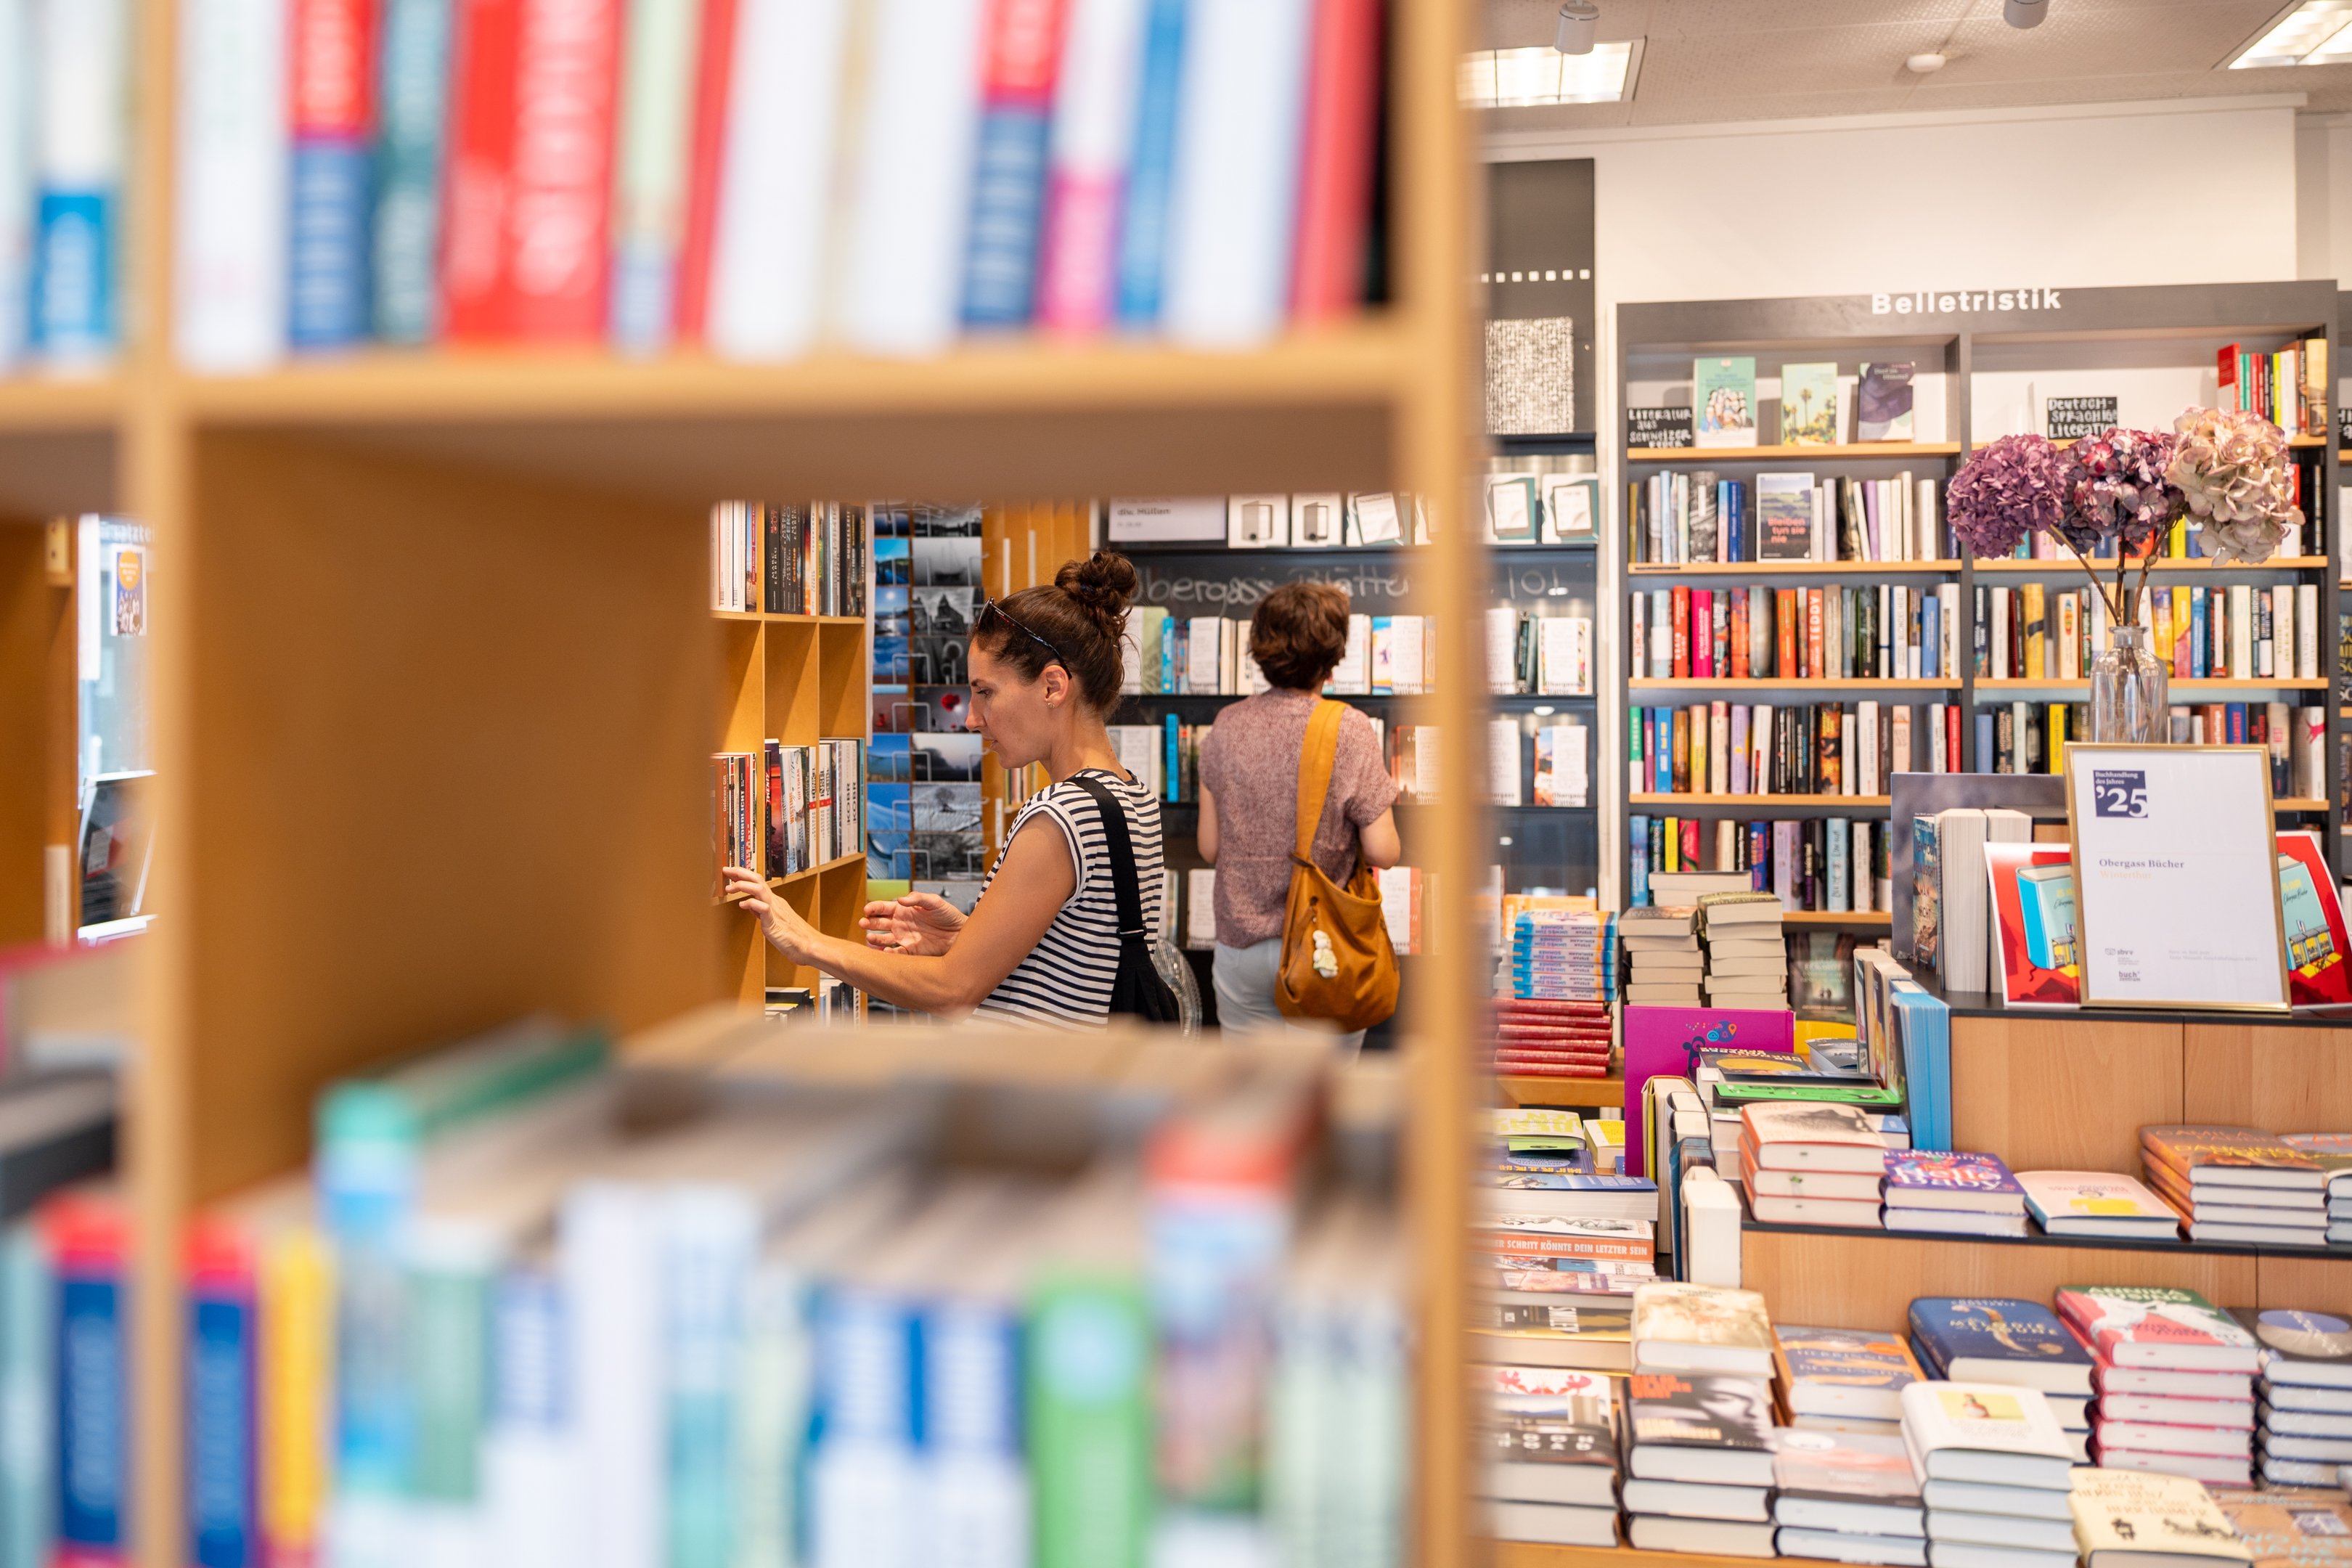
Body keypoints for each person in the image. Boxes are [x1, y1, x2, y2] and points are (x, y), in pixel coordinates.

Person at [724, 552, 1163, 1025]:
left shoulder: (1063, 814)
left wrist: (809, 942)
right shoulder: (1131, 795)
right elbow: (1083, 958)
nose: (972, 718)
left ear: (1053, 686)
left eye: (986, 692)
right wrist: (969, 937)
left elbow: (952, 989)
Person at [1196, 581, 1401, 1050]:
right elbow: (1383, 851)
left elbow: (1209, 847)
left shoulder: (1226, 725)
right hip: (1324, 945)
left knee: (1253, 1099)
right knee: (1326, 1103)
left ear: (1260, 648)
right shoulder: (1348, 728)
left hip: (1239, 943)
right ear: (1334, 654)